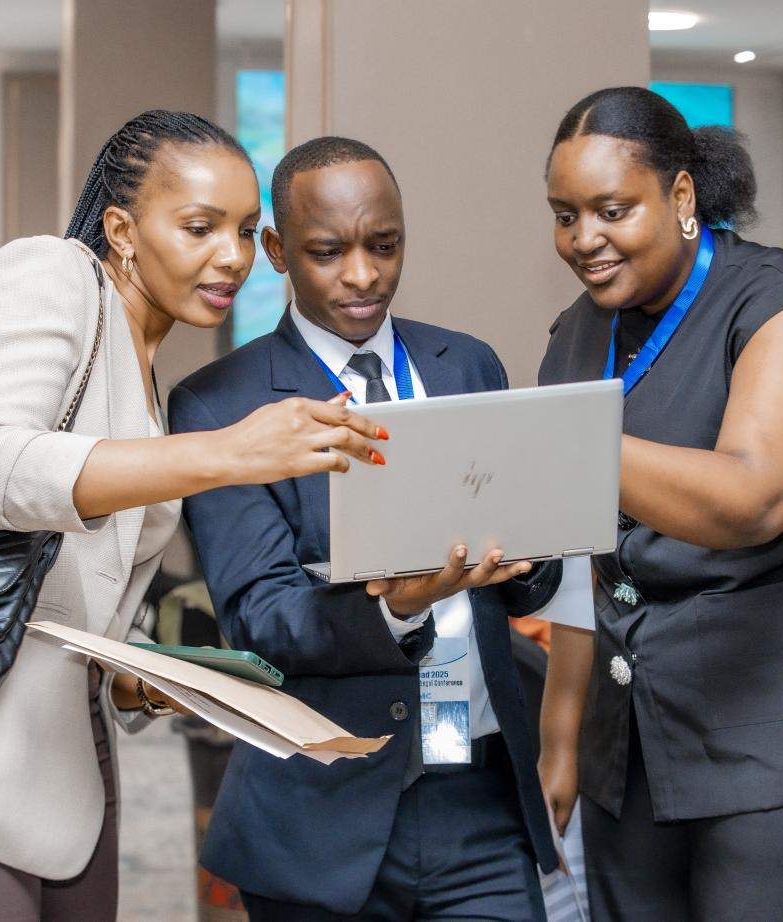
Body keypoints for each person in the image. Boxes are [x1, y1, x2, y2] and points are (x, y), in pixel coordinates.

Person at [0, 111, 385, 922]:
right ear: (121, 229)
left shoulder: (143, 364)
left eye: (244, 229)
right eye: (199, 227)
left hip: (54, 797)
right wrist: (230, 452)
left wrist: (143, 674)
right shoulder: (49, 273)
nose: (230, 255)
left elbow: (66, 582)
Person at [535, 86, 783, 922]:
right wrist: (562, 728)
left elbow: (752, 500)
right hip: (642, 718)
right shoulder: (579, 332)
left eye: (611, 209)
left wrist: (557, 445)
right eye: (565, 215)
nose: (585, 239)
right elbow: (584, 545)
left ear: (681, 196)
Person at [168, 136, 562, 921]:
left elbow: (528, 576)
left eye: (384, 246)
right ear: (278, 251)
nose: (363, 274)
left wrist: (527, 556)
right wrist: (397, 606)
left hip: (478, 796)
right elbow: (261, 615)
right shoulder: (217, 403)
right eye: (327, 252)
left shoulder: (467, 365)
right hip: (321, 817)